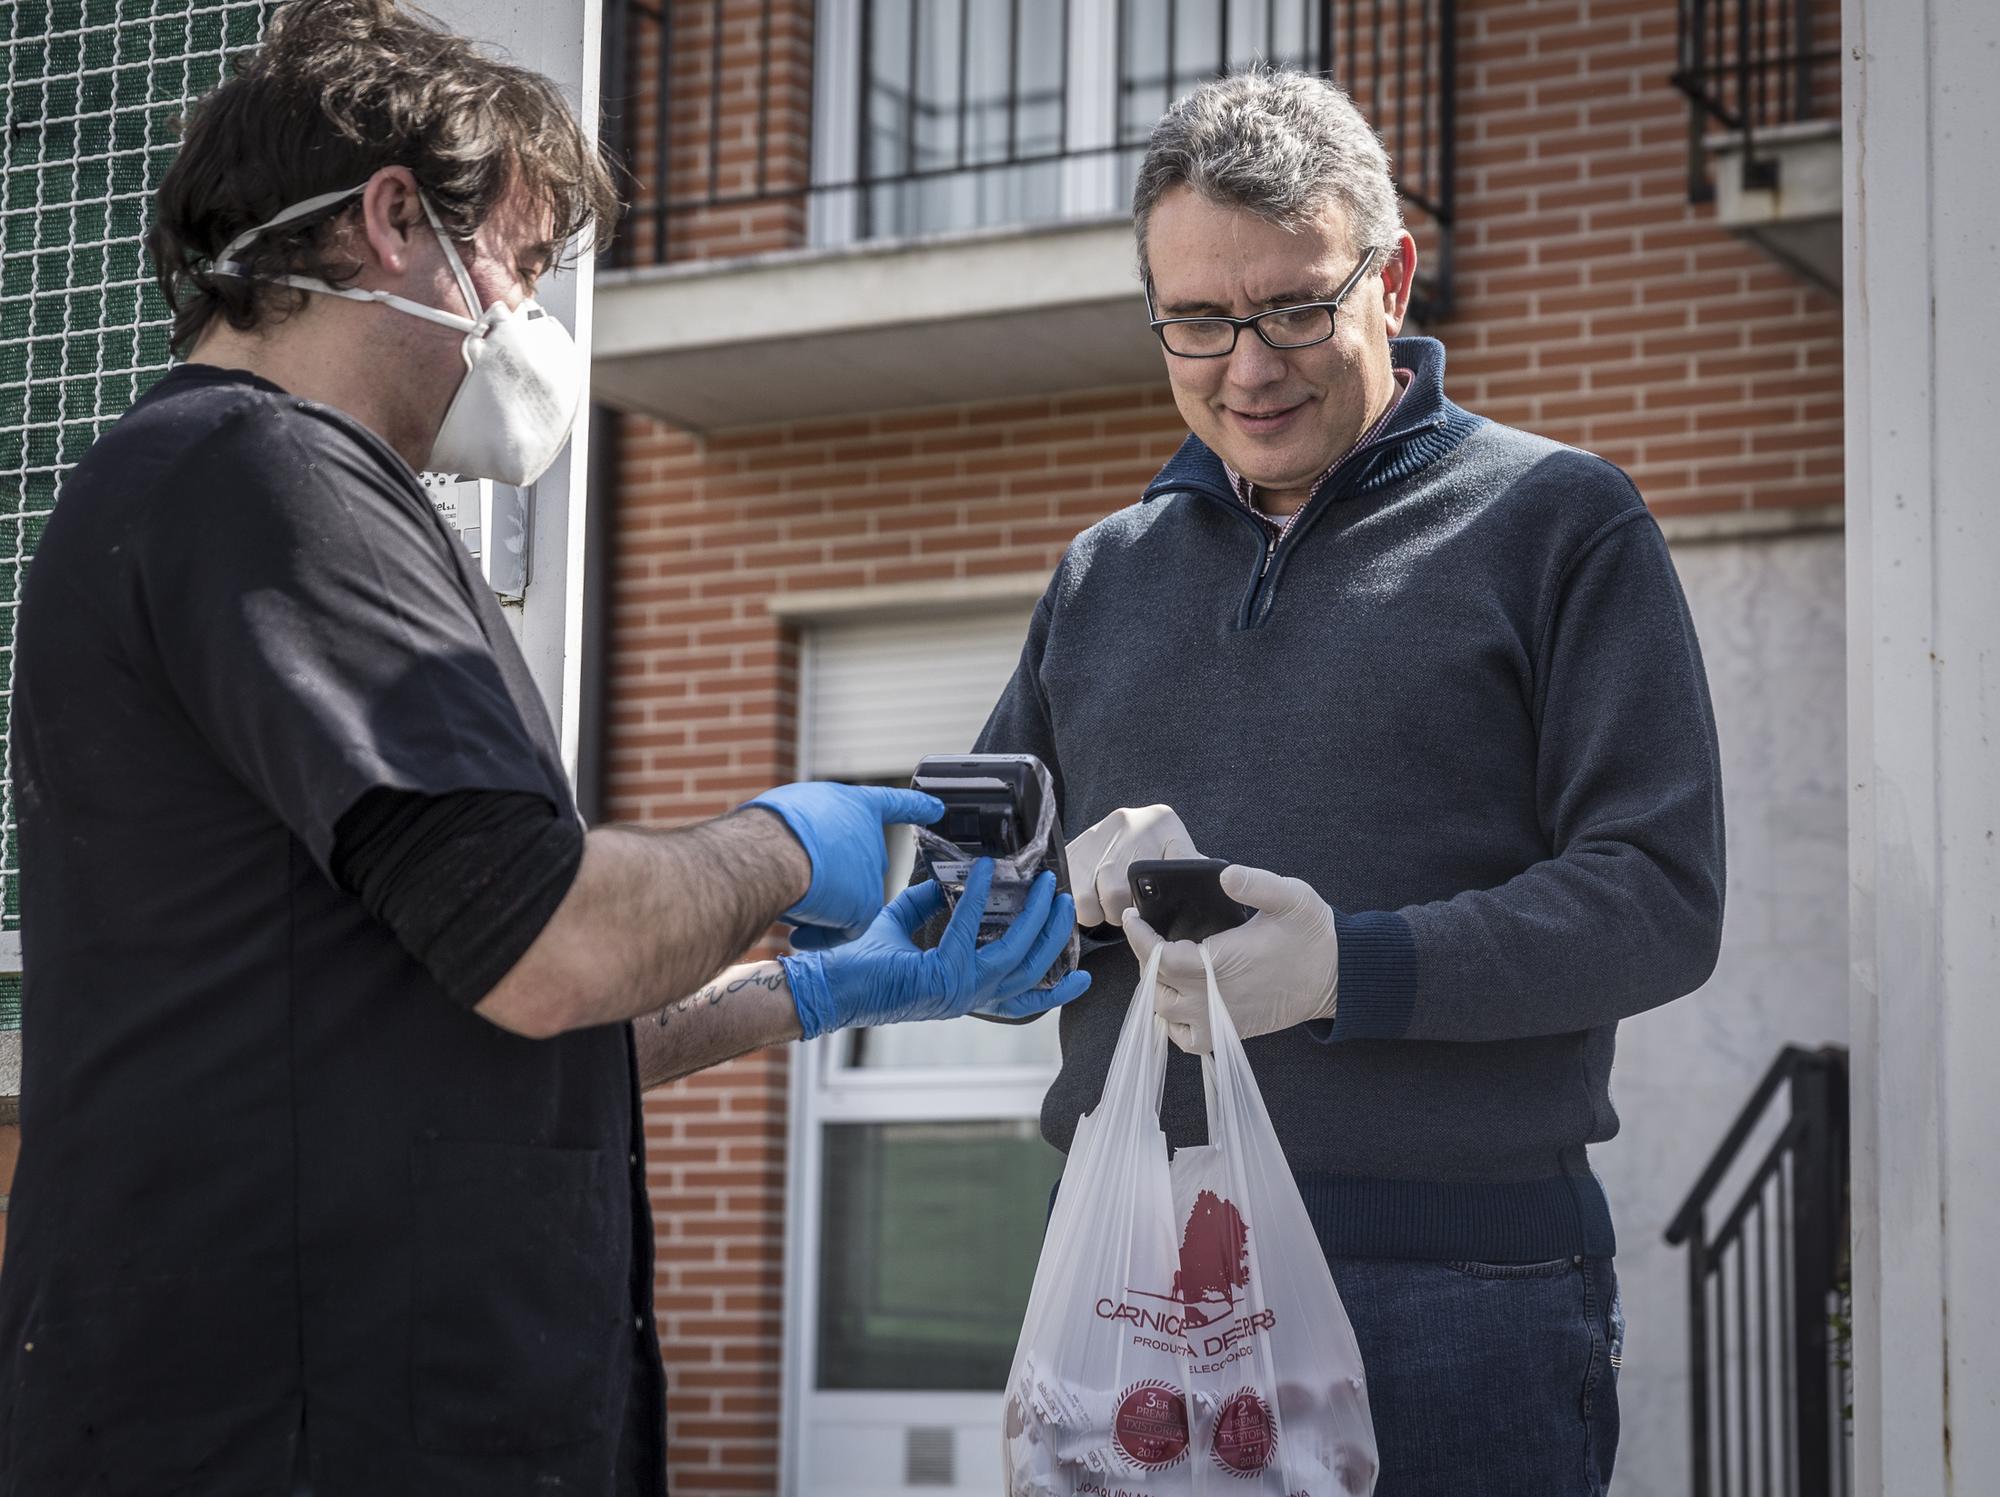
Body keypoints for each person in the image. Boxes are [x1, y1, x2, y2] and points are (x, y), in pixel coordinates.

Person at [0, 4, 1086, 1495]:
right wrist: (788, 835)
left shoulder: (247, 492)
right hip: (306, 1423)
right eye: (520, 259)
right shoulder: (269, 480)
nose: (532, 316)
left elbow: (496, 1010)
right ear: (394, 221)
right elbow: (556, 945)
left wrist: (827, 982)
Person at [976, 68, 1725, 1496]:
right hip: (1136, 1274)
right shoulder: (1103, 573)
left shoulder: (1558, 524)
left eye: (1296, 308)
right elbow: (979, 901)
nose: (1246, 366)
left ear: (1394, 276)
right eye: (1197, 319)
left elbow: (1659, 898)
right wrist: (1045, 891)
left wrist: (1349, 968)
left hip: (1456, 1289)